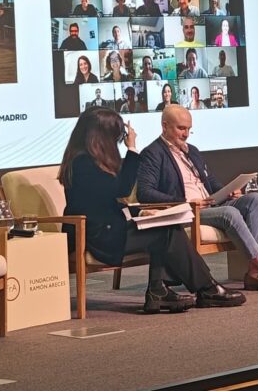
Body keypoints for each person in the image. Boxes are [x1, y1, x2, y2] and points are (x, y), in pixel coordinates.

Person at [60, 108, 244, 312]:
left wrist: (140, 213)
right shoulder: (83, 163)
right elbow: (121, 190)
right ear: (101, 136)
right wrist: (132, 149)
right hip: (96, 237)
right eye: (116, 136)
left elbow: (106, 201)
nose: (118, 141)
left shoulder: (87, 161)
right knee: (167, 231)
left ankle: (162, 291)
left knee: (166, 226)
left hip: (107, 230)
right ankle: (203, 288)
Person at [138, 104, 258, 292]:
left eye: (189, 129)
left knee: (256, 200)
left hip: (211, 204)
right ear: (164, 126)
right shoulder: (153, 153)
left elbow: (209, 181)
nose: (186, 134)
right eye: (181, 128)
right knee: (229, 212)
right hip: (189, 211)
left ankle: (255, 273)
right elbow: (145, 192)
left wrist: (227, 191)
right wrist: (186, 202)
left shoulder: (192, 150)